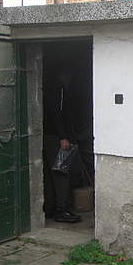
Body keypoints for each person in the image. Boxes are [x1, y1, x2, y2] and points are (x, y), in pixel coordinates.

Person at [43, 65, 82, 223]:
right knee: (61, 172)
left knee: (50, 173)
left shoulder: (49, 86)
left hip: (49, 135)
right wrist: (63, 137)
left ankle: (50, 208)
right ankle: (62, 210)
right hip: (55, 137)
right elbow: (56, 112)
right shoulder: (57, 88)